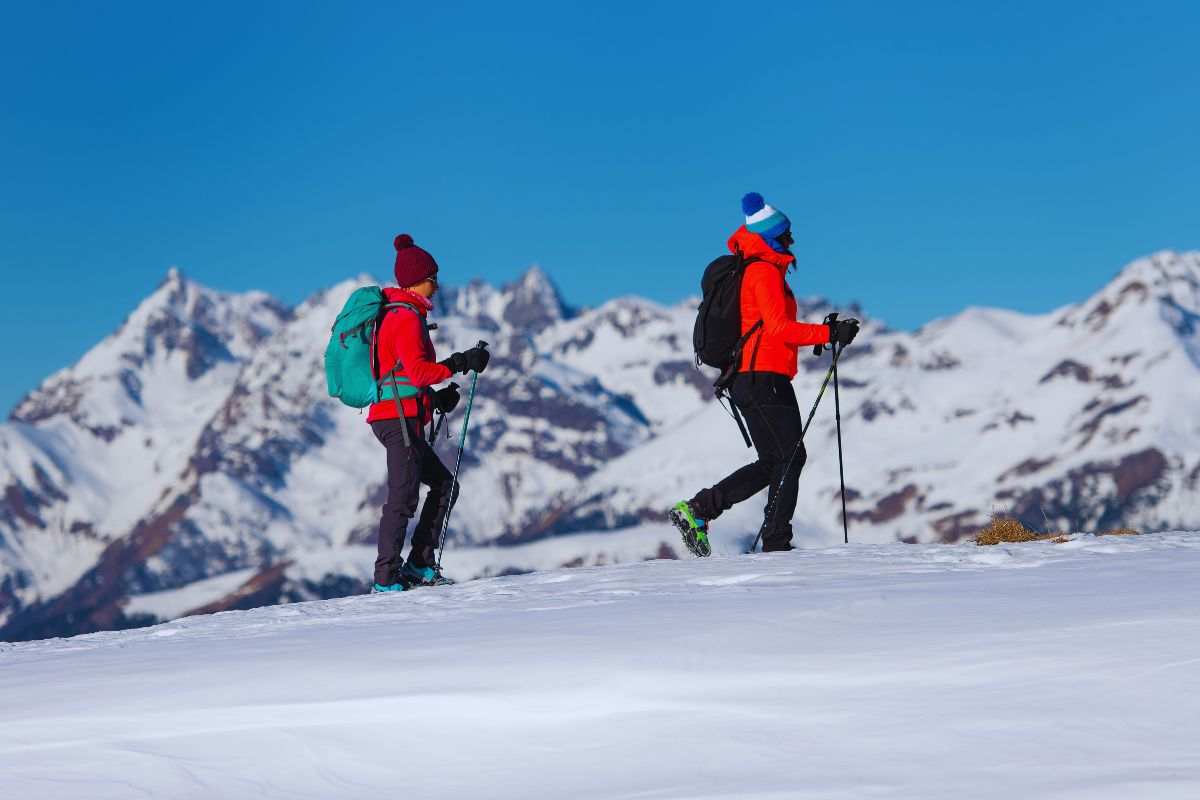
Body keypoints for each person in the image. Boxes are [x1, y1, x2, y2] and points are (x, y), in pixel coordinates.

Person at [670, 193, 859, 555]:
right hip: (763, 377)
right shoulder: (763, 272)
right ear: (773, 237)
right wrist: (828, 333)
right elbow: (778, 328)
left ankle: (700, 509)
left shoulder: (756, 269)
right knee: (790, 457)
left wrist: (824, 332)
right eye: (787, 235)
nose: (792, 241)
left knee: (775, 461)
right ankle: (776, 542)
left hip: (752, 378)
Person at [368, 234, 491, 592]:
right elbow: (419, 372)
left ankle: (419, 563)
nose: (436, 285)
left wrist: (434, 400)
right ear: (416, 280)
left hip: (399, 415)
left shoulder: (402, 315)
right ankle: (385, 578)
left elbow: (402, 375)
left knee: (444, 485)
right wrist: (459, 362)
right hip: (397, 420)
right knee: (403, 498)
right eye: (432, 278)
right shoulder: (404, 318)